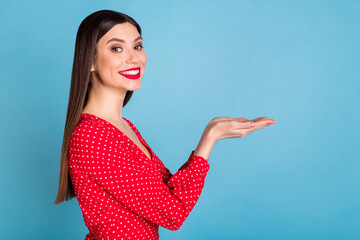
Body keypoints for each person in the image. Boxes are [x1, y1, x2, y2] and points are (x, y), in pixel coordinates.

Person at [54, 9, 276, 240]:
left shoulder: (121, 127)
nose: (134, 58)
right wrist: (209, 139)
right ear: (90, 60)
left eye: (137, 46)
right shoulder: (92, 137)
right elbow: (173, 214)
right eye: (116, 48)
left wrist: (212, 130)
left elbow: (168, 191)